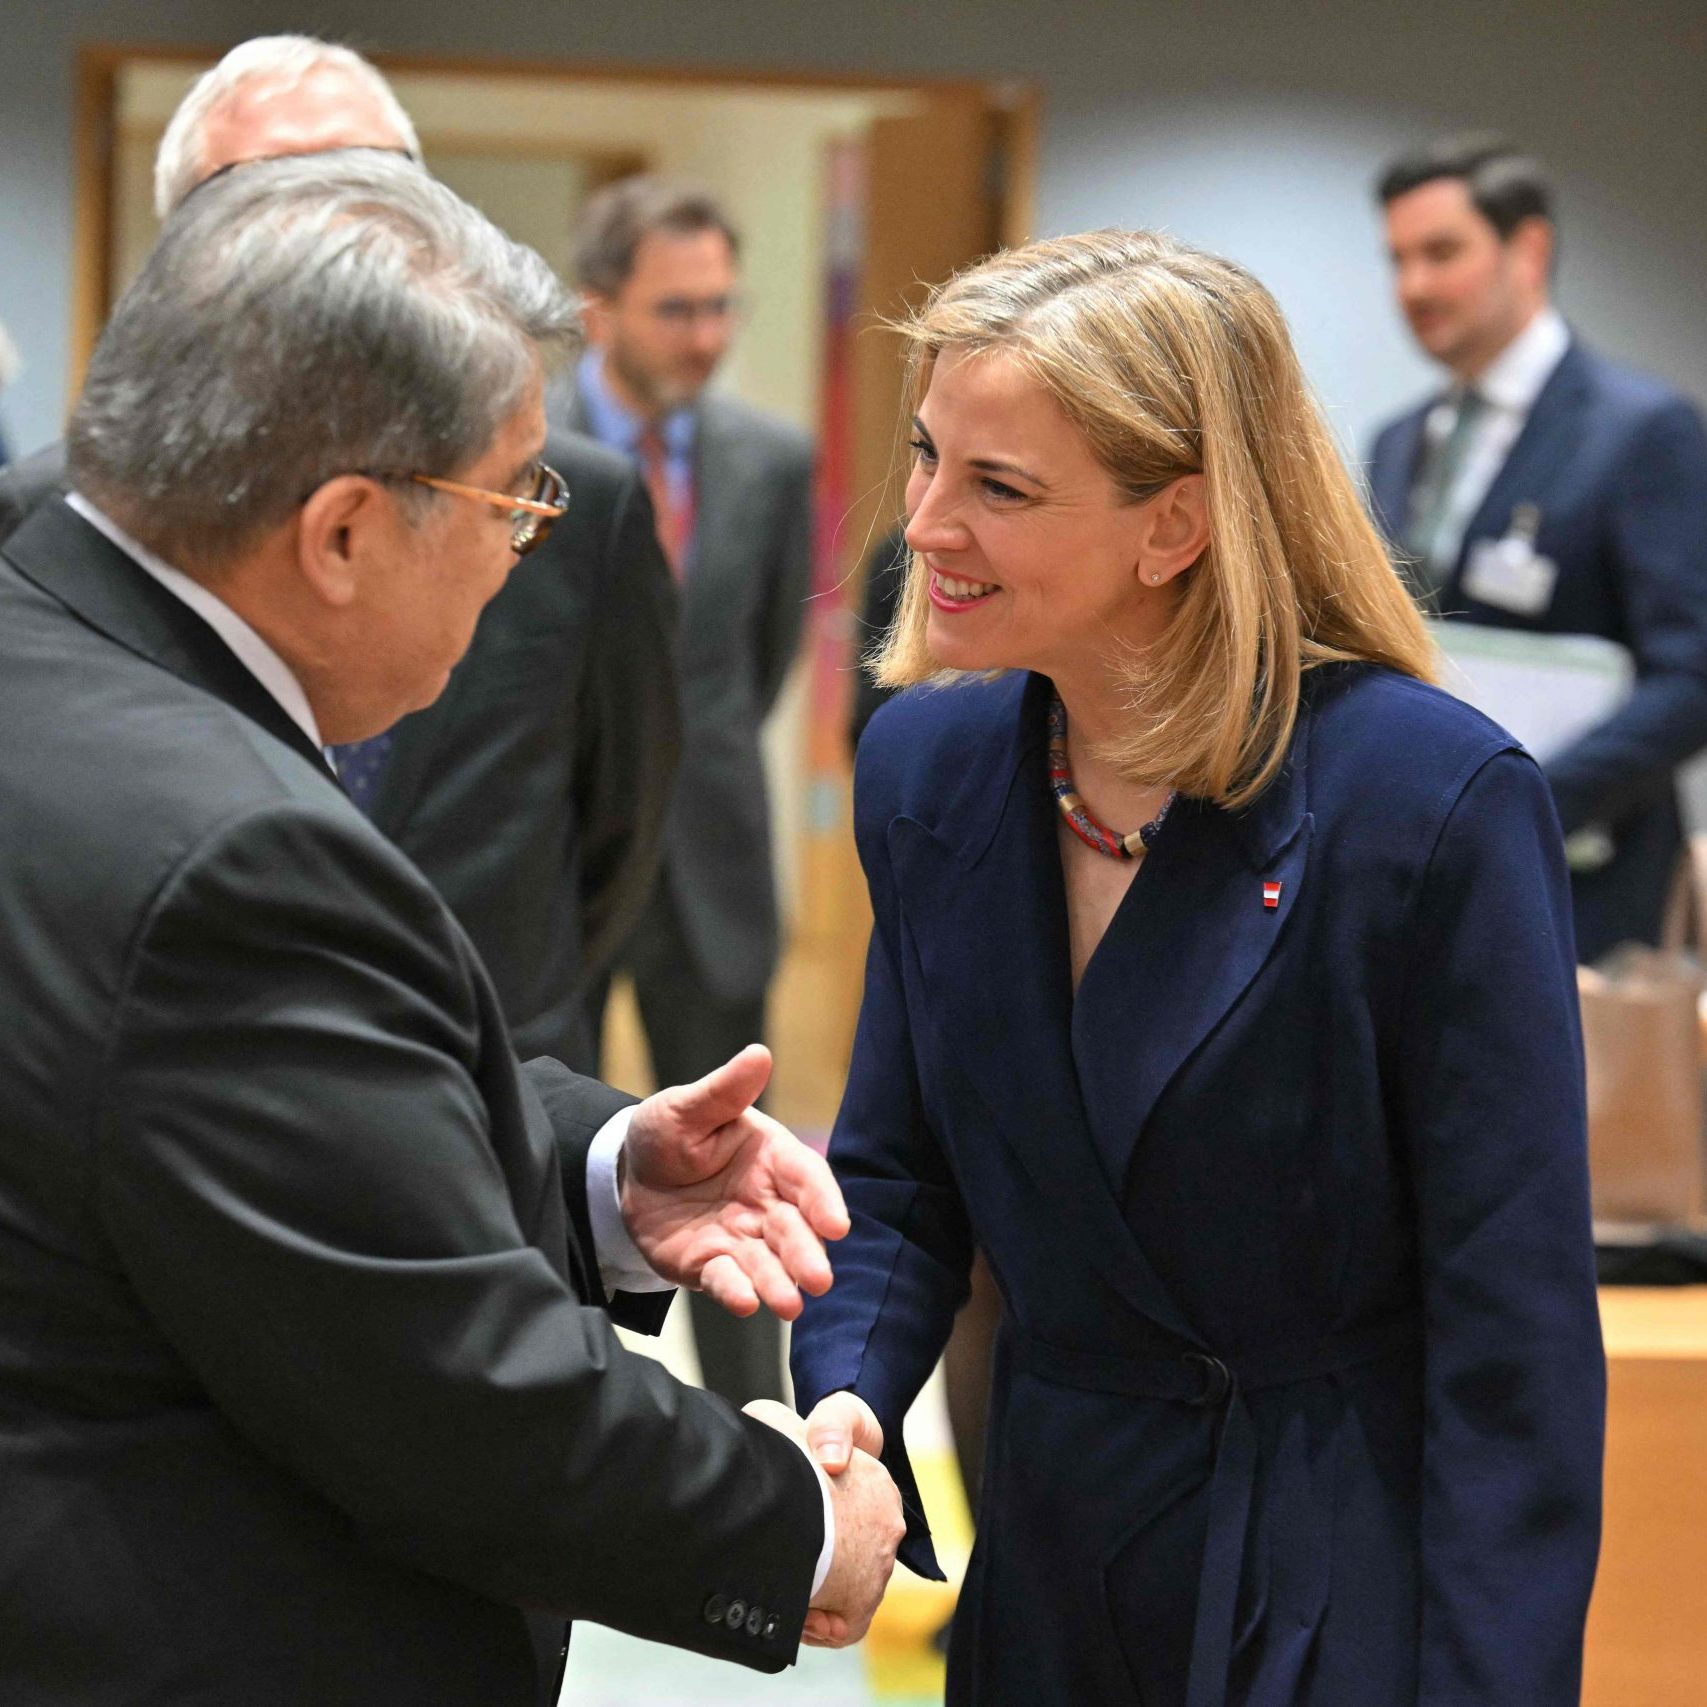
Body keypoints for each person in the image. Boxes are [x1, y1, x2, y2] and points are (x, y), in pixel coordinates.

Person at [0, 151, 904, 1705]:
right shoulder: (240, 855)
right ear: (345, 531)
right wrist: (801, 1521)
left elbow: (206, 1131)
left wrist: (599, 1163)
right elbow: (456, 1399)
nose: (523, 547)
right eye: (512, 500)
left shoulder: (49, 639)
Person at [788, 230, 1605, 1703]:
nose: (919, 523)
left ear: (1173, 526)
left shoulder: (1429, 800)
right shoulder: (926, 761)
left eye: (997, 486)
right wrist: (846, 1396)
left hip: (1329, 1574)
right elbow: (901, 1177)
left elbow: (1511, 1342)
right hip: (1044, 1550)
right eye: (923, 460)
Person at [0, 36, 680, 1068]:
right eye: (264, 202)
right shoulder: (49, 519)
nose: (325, 232)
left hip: (495, 1073)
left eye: (369, 197)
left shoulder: (562, 498)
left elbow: (618, 828)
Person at [555, 176, 814, 1405]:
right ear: (598, 311)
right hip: (548, 864)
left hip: (710, 861)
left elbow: (755, 669)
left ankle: (756, 1434)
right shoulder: (519, 448)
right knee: (544, 1164)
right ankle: (562, 1419)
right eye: (677, 309)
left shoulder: (770, 460)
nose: (707, 337)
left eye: (721, 306)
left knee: (733, 1171)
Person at [1366, 134, 1707, 964]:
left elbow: (1693, 672)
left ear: (1528, 249)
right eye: (1397, 259)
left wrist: (1523, 801)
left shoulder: (1638, 431)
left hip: (1581, 880)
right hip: (1419, 861)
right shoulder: (1398, 442)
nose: (1413, 287)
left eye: (1440, 252)